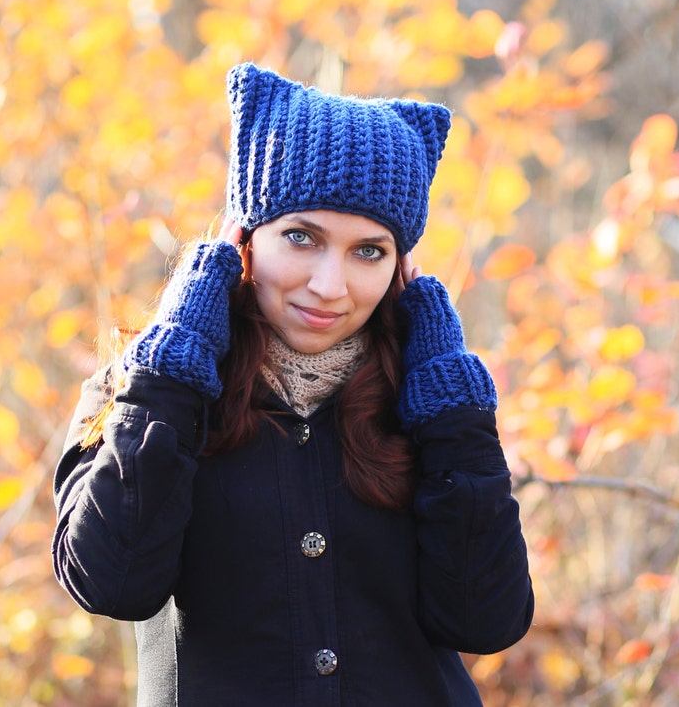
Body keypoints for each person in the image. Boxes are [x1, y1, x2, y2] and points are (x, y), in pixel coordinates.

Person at [52, 62, 534, 706]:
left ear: (401, 265)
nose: (331, 286)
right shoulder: (146, 388)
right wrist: (174, 366)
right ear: (243, 237)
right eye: (301, 237)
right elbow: (111, 582)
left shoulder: (426, 400)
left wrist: (450, 405)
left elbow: (485, 619)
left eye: (369, 251)